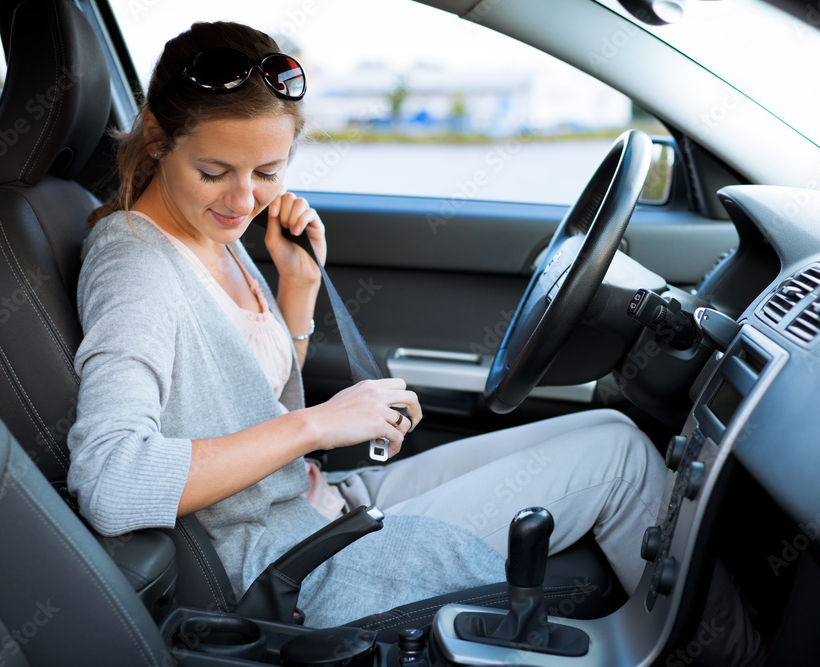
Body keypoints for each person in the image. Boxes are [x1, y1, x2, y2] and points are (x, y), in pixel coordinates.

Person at [67, 20, 666, 629]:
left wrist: (295, 287)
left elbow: (242, 398)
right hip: (294, 555)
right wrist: (317, 424)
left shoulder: (209, 232)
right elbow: (113, 481)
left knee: (613, 434)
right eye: (215, 171)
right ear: (156, 137)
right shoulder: (136, 268)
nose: (244, 202)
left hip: (322, 500)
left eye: (268, 172)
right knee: (622, 466)